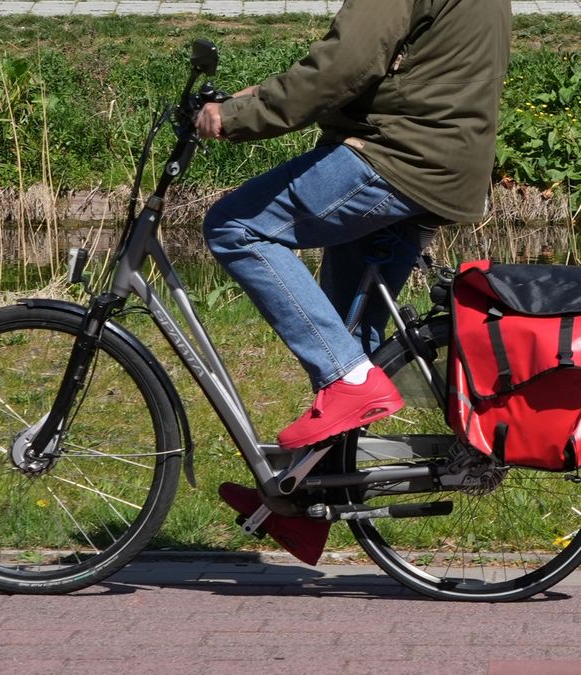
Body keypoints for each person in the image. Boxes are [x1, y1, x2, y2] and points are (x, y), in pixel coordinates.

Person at [196, 0, 511, 564]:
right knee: (348, 336)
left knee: (236, 226)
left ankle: (348, 380)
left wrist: (234, 116)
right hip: (446, 156)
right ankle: (303, 504)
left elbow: (345, 63)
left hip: (400, 156)